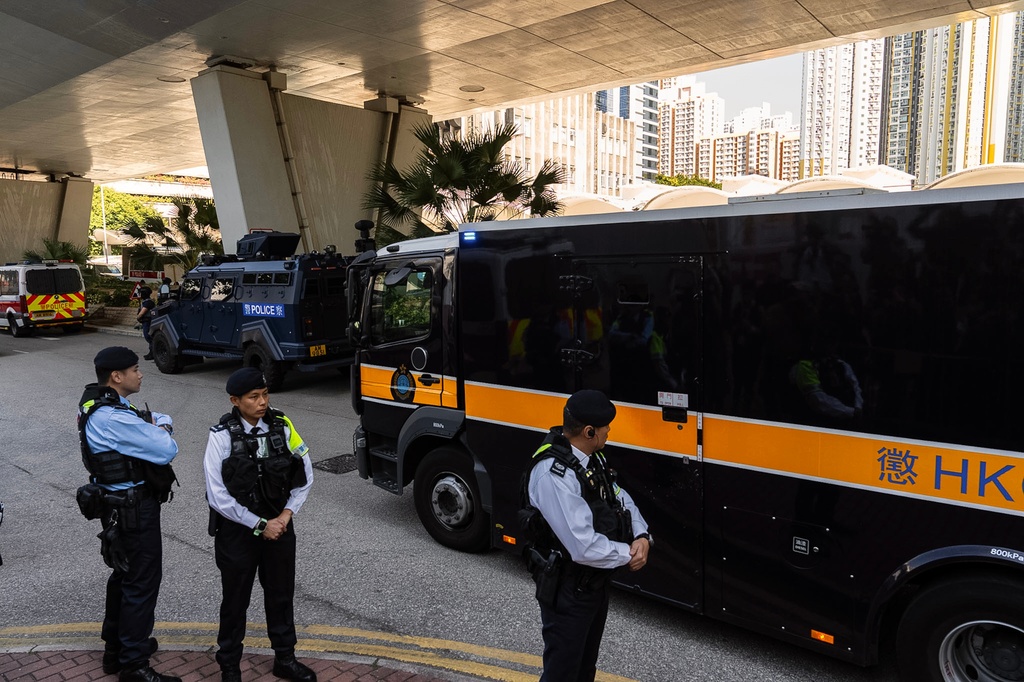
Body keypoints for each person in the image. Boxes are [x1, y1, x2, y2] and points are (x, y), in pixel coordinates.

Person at [522, 389, 651, 682]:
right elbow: (582, 546)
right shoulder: (554, 475)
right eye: (606, 428)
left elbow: (618, 497)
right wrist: (628, 553)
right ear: (589, 431)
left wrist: (641, 533)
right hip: (568, 591)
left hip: (592, 584)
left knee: (584, 670)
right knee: (563, 674)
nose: (609, 432)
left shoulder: (593, 459)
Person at [204, 368, 316, 682]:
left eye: (265, 394)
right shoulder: (221, 436)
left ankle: (285, 658)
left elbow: (305, 475)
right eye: (254, 397)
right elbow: (217, 495)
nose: (262, 402)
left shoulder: (282, 426)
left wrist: (285, 516)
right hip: (238, 531)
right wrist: (259, 524)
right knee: (235, 600)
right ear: (235, 400)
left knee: (281, 594)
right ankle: (229, 665)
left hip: (279, 527)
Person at [77, 346, 179, 682]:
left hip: (120, 506)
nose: (141, 373)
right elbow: (165, 449)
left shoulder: (106, 406)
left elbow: (156, 418)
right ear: (116, 376)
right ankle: (134, 665)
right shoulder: (112, 416)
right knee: (141, 582)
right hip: (133, 509)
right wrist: (160, 432)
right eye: (135, 369)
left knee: (124, 577)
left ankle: (116, 650)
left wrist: (156, 425)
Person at [136, 287, 155, 361]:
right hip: (146, 321)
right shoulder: (146, 301)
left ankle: (153, 352)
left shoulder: (148, 302)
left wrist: (138, 317)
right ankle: (152, 352)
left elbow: (143, 312)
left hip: (148, 321)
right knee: (149, 337)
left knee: (149, 337)